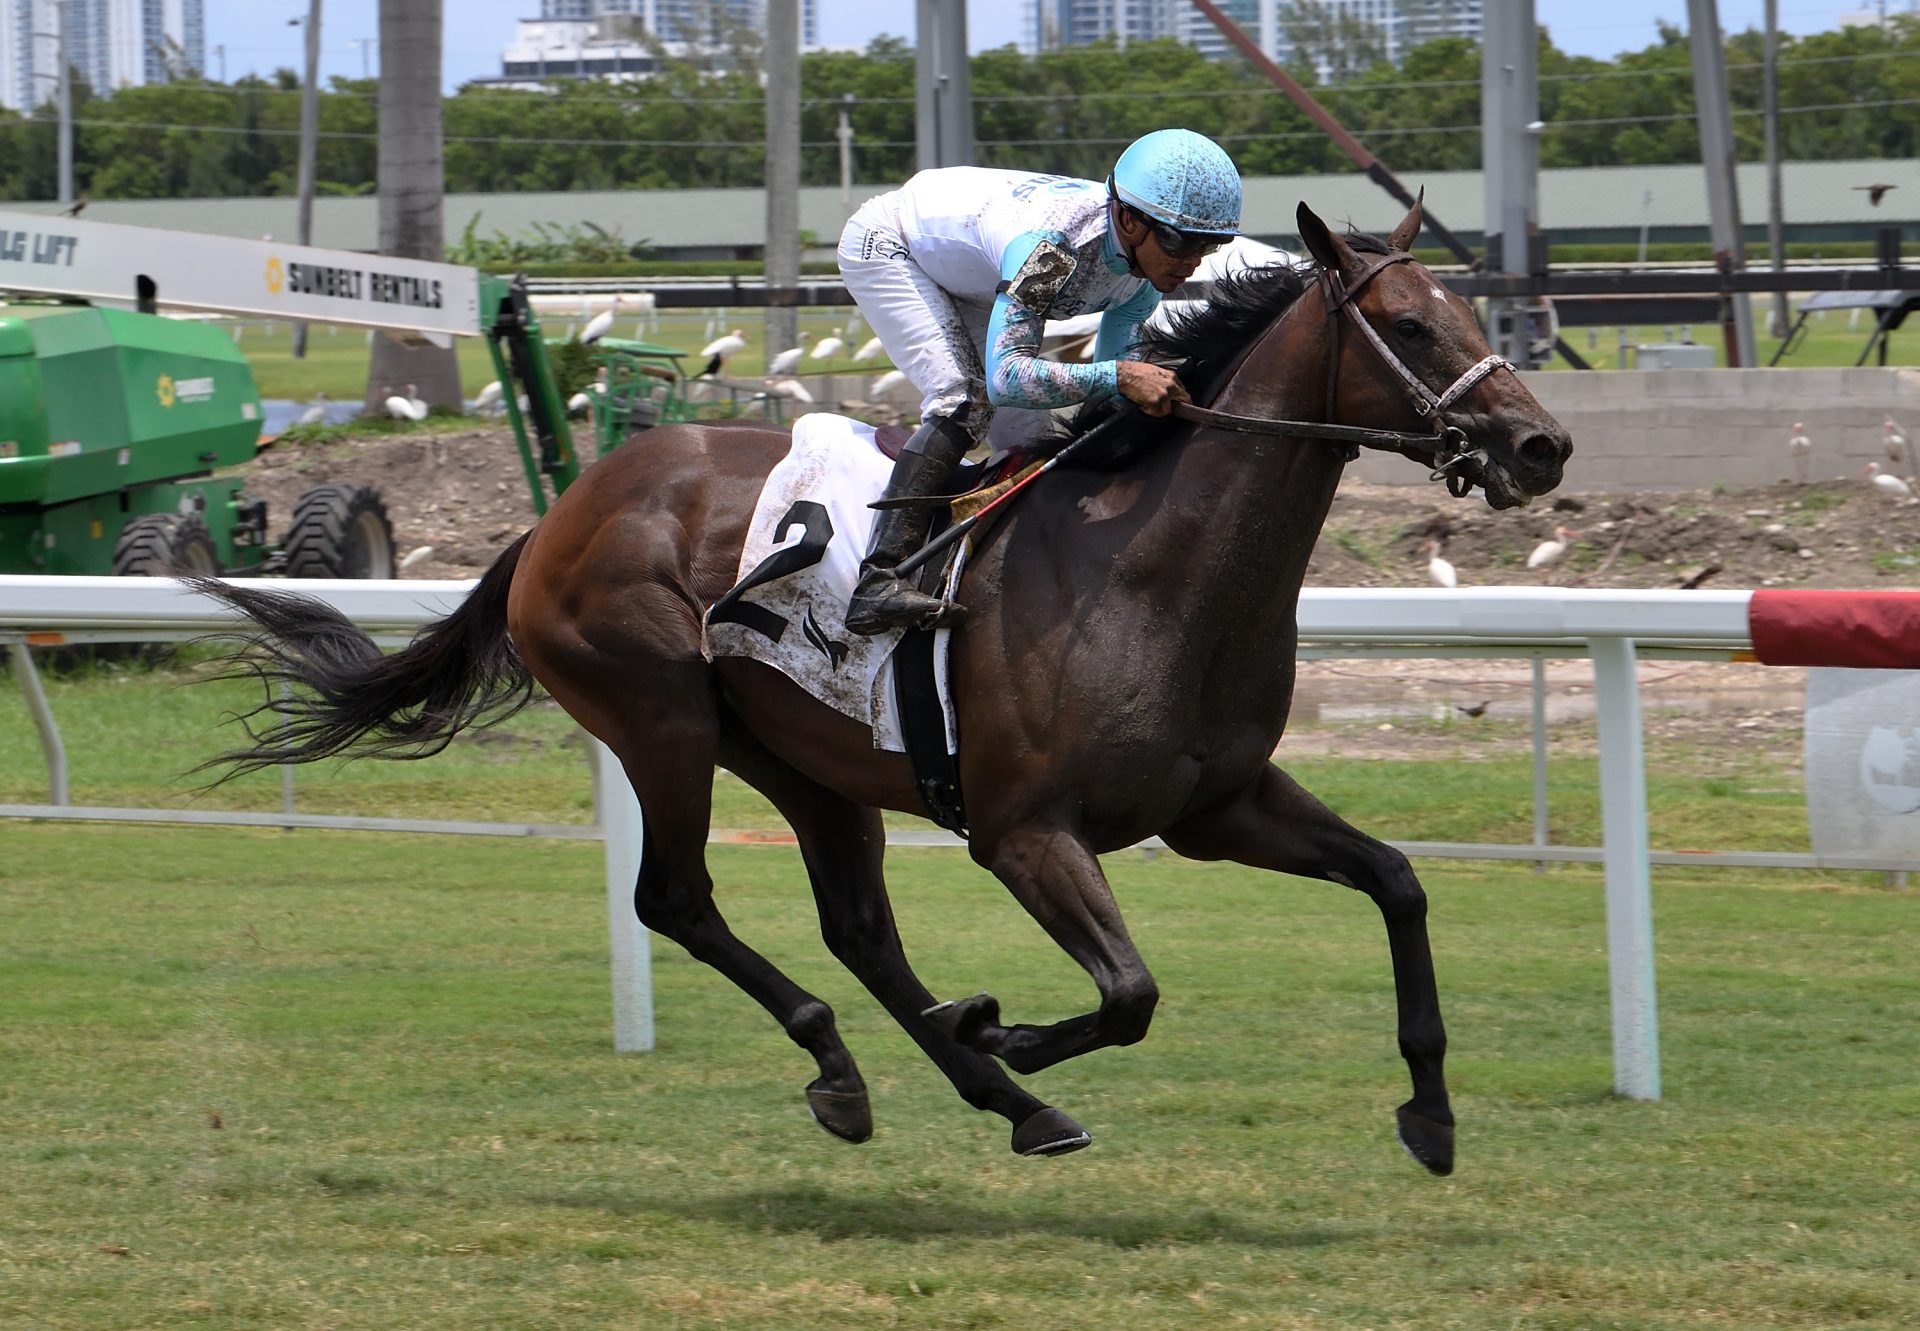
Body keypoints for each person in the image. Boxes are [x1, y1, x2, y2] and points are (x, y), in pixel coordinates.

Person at [836, 128, 1243, 635]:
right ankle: (877, 580)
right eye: (1181, 242)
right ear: (1130, 220)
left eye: (1210, 244)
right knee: (966, 400)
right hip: (893, 245)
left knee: (1031, 442)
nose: (1192, 261)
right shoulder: (1054, 251)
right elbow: (1009, 378)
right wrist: (1121, 374)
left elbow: (1114, 397)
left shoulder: (1145, 274)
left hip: (975, 272)